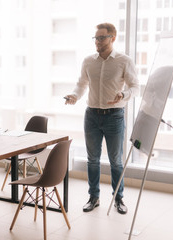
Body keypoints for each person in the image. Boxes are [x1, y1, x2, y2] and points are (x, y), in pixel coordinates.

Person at [65, 23, 139, 214]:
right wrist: (74, 96)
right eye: (95, 38)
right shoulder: (88, 61)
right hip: (91, 115)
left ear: (112, 38)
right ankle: (94, 197)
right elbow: (81, 84)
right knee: (92, 159)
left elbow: (135, 87)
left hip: (114, 116)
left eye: (101, 38)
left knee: (115, 160)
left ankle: (118, 198)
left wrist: (123, 95)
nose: (97, 42)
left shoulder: (124, 61)